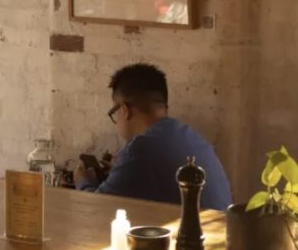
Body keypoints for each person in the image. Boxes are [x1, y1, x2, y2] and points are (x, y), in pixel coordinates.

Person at [74, 63, 232, 211]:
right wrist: (120, 170)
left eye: (114, 113)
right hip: (221, 227)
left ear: (125, 110)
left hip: (191, 231)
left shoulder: (140, 149)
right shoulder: (190, 136)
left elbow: (97, 209)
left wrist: (82, 181)